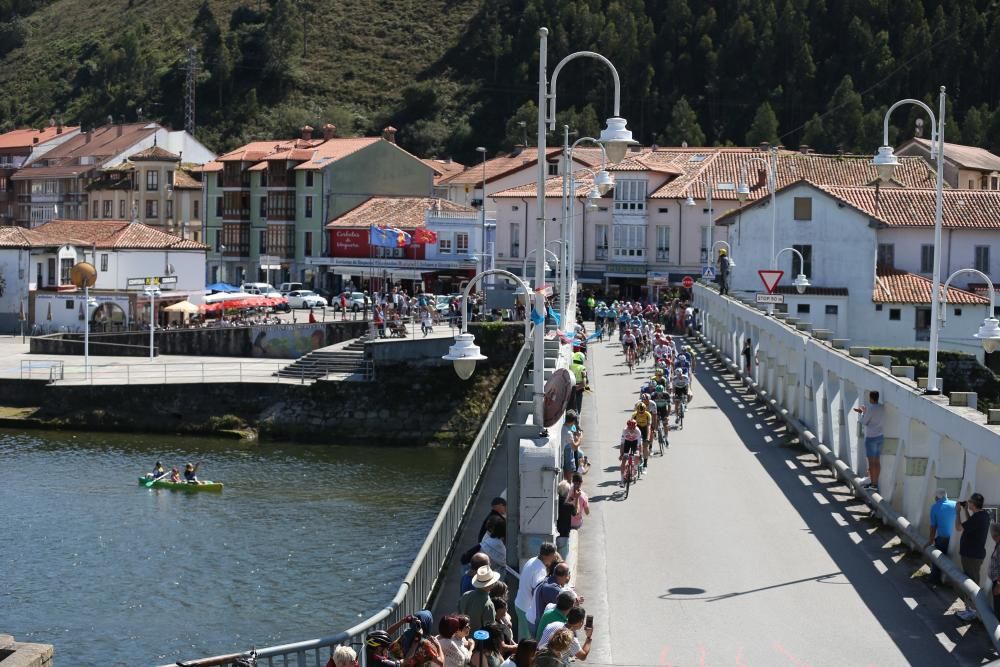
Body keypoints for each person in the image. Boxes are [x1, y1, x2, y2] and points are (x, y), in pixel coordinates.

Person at [955, 492, 991, 620]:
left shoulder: (978, 518)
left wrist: (957, 512)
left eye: (969, 502)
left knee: (971, 582)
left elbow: (958, 527)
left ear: (973, 504)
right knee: (971, 581)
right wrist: (965, 511)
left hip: (971, 556)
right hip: (975, 554)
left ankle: (972, 611)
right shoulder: (984, 515)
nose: (968, 503)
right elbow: (971, 523)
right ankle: (970, 608)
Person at [514, 543, 558, 640]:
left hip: (520, 604)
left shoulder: (532, 560)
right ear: (548, 555)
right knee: (528, 642)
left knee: (523, 639)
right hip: (526, 609)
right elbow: (538, 592)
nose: (554, 558)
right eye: (553, 555)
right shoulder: (540, 570)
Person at [853, 391, 885, 491]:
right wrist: (865, 411)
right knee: (877, 461)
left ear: (871, 398)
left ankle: (873, 483)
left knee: (871, 463)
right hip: (880, 436)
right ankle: (875, 482)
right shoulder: (881, 407)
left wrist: (862, 412)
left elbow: (864, 421)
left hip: (871, 437)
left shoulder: (870, 408)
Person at [926, 488, 957, 586]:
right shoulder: (955, 504)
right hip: (954, 538)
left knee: (937, 558)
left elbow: (933, 526)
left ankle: (934, 579)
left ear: (936, 497)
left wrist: (930, 541)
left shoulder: (935, 507)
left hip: (943, 538)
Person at [459, 565, 500, 631]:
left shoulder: (465, 595)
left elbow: (459, 613)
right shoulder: (488, 604)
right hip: (478, 639)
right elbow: (489, 628)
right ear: (491, 584)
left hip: (462, 636)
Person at [619, 419, 642, 487]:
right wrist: (621, 454)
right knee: (623, 460)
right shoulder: (625, 430)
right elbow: (622, 444)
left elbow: (640, 444)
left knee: (637, 456)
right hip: (627, 442)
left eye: (633, 428)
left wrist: (640, 453)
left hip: (635, 443)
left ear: (635, 426)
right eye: (630, 428)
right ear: (628, 427)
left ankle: (635, 469)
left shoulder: (638, 431)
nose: (631, 429)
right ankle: (622, 480)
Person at [555, 481, 576, 558]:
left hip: (554, 532)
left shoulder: (554, 503)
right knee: (563, 558)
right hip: (564, 534)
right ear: (567, 491)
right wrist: (575, 498)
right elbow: (575, 513)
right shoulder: (569, 505)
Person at [561, 411, 582, 482]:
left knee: (566, 477)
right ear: (572, 421)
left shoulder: (563, 427)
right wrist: (579, 438)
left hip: (563, 457)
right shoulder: (568, 433)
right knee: (569, 479)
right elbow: (574, 447)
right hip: (568, 457)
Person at [631, 402, 652, 467]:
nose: (641, 414)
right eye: (639, 412)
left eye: (642, 412)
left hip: (645, 428)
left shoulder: (648, 415)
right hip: (637, 427)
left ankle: (645, 462)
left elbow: (648, 427)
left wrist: (648, 438)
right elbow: (632, 427)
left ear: (645, 410)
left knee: (645, 446)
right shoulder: (634, 415)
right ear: (637, 410)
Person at [989, 523, 1000, 617]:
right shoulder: (998, 544)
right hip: (995, 581)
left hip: (998, 583)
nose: (992, 538)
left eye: (994, 536)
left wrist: (998, 586)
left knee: (998, 610)